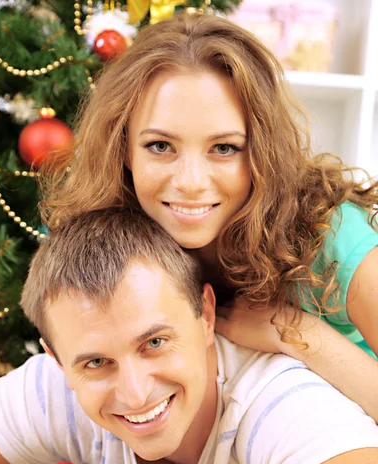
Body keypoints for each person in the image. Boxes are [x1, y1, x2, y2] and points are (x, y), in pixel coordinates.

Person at [0, 207, 378, 464]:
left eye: (154, 343)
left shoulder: (276, 396)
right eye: (97, 362)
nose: (135, 394)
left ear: (205, 315)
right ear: (57, 360)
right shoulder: (53, 388)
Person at [40, 12, 378, 421]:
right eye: (161, 146)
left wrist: (297, 331)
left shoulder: (332, 238)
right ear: (123, 148)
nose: (191, 182)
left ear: (262, 152)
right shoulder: (114, 242)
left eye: (224, 148)